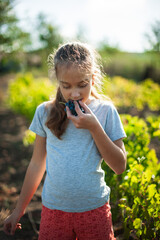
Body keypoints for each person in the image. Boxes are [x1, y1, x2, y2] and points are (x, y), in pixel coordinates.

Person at [3, 41, 127, 240]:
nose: (75, 93)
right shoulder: (44, 112)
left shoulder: (105, 111)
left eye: (82, 84)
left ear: (93, 79)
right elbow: (36, 164)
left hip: (94, 209)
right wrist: (18, 210)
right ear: (58, 80)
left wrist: (94, 127)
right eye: (66, 86)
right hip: (54, 210)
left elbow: (120, 166)